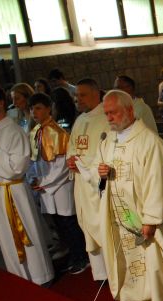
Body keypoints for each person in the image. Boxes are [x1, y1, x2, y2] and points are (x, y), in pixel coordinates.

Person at [97, 90, 163, 301]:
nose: (109, 118)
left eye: (113, 113)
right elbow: (102, 177)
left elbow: (158, 183)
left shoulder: (149, 143)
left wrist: (150, 221)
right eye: (106, 113)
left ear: (129, 110)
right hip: (123, 219)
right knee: (133, 267)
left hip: (146, 221)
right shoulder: (109, 141)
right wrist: (101, 174)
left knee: (156, 264)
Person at [0, 83, 54, 285]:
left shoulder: (15, 131)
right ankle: (19, 276)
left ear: (1, 102)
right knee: (6, 237)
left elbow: (16, 168)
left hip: (15, 190)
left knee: (27, 232)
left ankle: (39, 276)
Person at [28, 93, 88, 274]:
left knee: (69, 222)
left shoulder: (59, 133)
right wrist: (32, 177)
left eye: (38, 108)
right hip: (45, 186)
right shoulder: (35, 132)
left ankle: (82, 257)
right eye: (31, 109)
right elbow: (34, 161)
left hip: (59, 186)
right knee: (58, 223)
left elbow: (62, 166)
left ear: (48, 108)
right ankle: (71, 253)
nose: (34, 112)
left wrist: (44, 181)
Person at [67, 78, 109, 279]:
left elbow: (107, 152)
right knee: (87, 225)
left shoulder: (106, 118)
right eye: (76, 96)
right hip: (81, 184)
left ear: (96, 94)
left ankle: (112, 270)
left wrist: (84, 166)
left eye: (82, 95)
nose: (78, 99)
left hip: (99, 185)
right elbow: (73, 147)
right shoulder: (80, 120)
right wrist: (71, 161)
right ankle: (100, 272)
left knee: (104, 226)